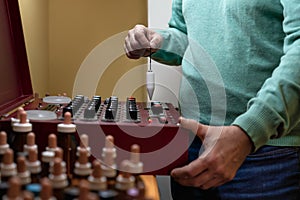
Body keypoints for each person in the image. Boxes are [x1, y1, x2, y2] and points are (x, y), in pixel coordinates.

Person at [124, 0, 300, 199]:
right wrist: (158, 40)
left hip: (265, 156)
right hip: (190, 143)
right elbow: (187, 37)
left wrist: (248, 132)